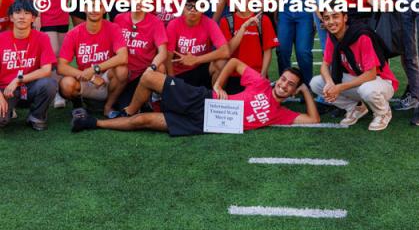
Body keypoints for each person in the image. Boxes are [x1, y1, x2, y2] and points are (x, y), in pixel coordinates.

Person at [71, 58, 320, 135]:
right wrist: (220, 85)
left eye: (291, 86)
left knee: (144, 122)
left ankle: (91, 123)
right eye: (285, 80)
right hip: (204, 100)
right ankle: (128, 109)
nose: (285, 85)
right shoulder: (261, 83)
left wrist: (306, 90)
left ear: (291, 92)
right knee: (149, 77)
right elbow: (233, 61)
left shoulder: (281, 113)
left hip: (206, 124)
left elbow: (313, 120)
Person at [310, 6, 398, 131]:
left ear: (345, 18)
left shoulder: (361, 36)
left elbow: (371, 74)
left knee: (367, 90)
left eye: (335, 16)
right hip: (358, 79)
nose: (331, 21)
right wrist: (330, 83)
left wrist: (339, 87)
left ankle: (383, 113)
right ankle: (356, 107)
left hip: (381, 82)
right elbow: (325, 64)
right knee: (317, 83)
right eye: (326, 18)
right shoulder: (333, 36)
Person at [57, 0, 128, 118]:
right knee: (66, 83)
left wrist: (95, 68)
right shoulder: (74, 33)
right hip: (86, 79)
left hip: (107, 79)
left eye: (98, 6)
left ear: (104, 9)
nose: (94, 10)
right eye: (90, 6)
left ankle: (108, 107)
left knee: (122, 70)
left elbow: (123, 57)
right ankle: (79, 105)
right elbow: (61, 66)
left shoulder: (113, 28)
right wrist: (89, 75)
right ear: (84, 8)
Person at [32, 0, 77, 108]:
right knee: (53, 54)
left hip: (62, 16)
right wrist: (38, 16)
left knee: (62, 57)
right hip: (47, 16)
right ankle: (56, 93)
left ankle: (59, 89)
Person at [0, 0, 57, 131]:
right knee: (1, 121)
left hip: (30, 87)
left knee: (49, 84)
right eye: (18, 12)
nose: (22, 16)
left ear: (33, 18)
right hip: (5, 89)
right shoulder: (1, 39)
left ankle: (36, 117)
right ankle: (8, 111)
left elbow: (46, 70)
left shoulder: (42, 38)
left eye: (27, 13)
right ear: (11, 17)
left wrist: (19, 79)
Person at [114, 0, 168, 112]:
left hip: (145, 73)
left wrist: (152, 67)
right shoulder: (119, 19)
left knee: (160, 67)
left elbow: (163, 52)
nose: (138, 2)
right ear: (128, 0)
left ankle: (154, 98)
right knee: (123, 108)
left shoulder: (156, 22)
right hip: (125, 74)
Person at [217, 0, 278, 94]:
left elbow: (267, 51)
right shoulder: (226, 21)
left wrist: (263, 75)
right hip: (234, 75)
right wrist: (243, 28)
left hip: (256, 74)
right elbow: (228, 50)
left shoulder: (262, 20)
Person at [166, 0, 229, 87]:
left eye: (198, 6)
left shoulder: (209, 23)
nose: (193, 10)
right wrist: (172, 81)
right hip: (179, 72)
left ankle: (215, 98)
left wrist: (196, 59)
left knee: (222, 63)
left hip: (201, 67)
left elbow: (225, 51)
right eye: (189, 6)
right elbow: (168, 57)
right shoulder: (173, 24)